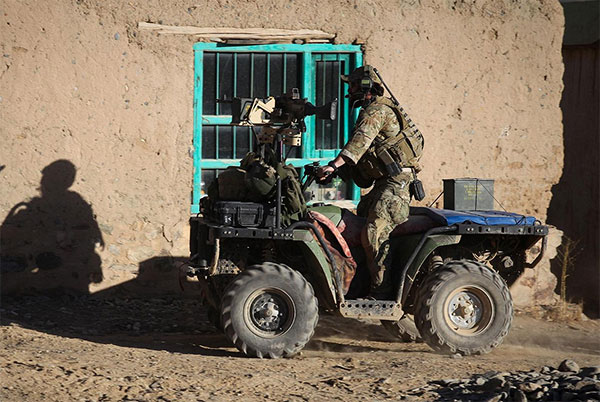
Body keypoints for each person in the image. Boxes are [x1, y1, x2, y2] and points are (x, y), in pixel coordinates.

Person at [316, 65, 424, 299]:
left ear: (366, 86)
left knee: (375, 231)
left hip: (397, 183)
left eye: (353, 85)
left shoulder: (376, 111)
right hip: (384, 183)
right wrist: (334, 173)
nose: (349, 91)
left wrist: (333, 165)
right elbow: (364, 158)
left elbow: (359, 144)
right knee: (361, 217)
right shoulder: (371, 110)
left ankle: (382, 293)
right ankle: (359, 285)